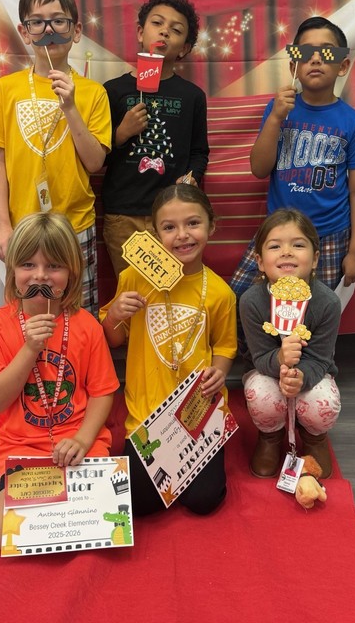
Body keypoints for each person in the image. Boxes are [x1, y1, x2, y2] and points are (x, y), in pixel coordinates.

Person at [0, 212, 120, 548]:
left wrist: (82, 440)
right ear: (12, 272)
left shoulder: (87, 326)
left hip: (79, 442)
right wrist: (29, 349)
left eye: (53, 266)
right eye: (27, 265)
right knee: (9, 537)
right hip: (21, 445)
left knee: (102, 528)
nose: (40, 275)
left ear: (71, 273)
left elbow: (102, 393)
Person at [100, 184, 236, 516]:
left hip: (196, 415)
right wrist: (115, 313)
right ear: (154, 232)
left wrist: (219, 371)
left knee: (204, 502)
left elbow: (225, 345)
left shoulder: (220, 292)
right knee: (135, 503)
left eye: (193, 223)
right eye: (169, 227)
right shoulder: (134, 277)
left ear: (211, 226)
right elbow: (113, 340)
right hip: (146, 416)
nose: (182, 235)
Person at [0, 0, 111, 314]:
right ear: (25, 33)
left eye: (59, 21)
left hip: (75, 222)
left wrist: (70, 107)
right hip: (23, 224)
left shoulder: (93, 93)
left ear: (76, 30)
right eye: (37, 22)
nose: (49, 30)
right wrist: (3, 224)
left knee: (78, 313)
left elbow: (95, 162)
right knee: (29, 315)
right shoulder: (5, 89)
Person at [230, 15, 355, 297]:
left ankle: (300, 345)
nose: (316, 59)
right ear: (293, 65)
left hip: (329, 235)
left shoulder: (354, 122)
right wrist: (275, 119)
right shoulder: (278, 108)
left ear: (343, 65)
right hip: (278, 230)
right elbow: (259, 169)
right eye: (306, 52)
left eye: (328, 52)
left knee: (309, 312)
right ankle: (263, 345)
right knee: (242, 299)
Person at [101, 0, 209, 277]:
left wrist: (193, 176)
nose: (164, 32)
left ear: (184, 48)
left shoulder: (192, 96)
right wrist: (121, 133)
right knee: (133, 293)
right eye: (157, 24)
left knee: (173, 291)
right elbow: (96, 153)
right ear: (140, 32)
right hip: (124, 212)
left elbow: (200, 151)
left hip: (175, 216)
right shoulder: (113, 90)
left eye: (176, 30)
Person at [239, 208, 341, 478]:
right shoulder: (251, 301)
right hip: (266, 370)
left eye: (298, 245)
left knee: (324, 403)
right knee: (262, 396)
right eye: (275, 246)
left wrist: (301, 377)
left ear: (315, 258)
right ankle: (270, 437)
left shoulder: (327, 302)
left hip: (311, 370)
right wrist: (281, 360)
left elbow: (321, 359)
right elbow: (258, 358)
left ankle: (314, 438)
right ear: (260, 261)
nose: (287, 252)